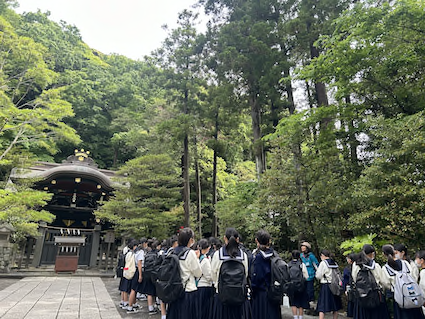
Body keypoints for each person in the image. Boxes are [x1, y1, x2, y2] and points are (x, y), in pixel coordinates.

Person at [211, 227, 250, 319]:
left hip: (221, 295)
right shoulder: (243, 255)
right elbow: (246, 274)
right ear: (237, 239)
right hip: (239, 296)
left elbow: (213, 274)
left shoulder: (218, 254)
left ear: (225, 238)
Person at [381, 244, 425, 319]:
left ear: (384, 254)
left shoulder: (385, 268)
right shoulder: (405, 263)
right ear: (395, 252)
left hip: (399, 298)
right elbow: (413, 277)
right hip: (412, 294)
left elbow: (386, 283)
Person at [167, 227, 202, 319]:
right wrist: (197, 258)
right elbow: (198, 273)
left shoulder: (172, 252)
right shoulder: (189, 253)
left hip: (174, 289)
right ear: (191, 240)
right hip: (187, 290)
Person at [351, 245, 389, 319]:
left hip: (361, 295)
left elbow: (354, 278)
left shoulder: (356, 265)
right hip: (375, 296)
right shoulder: (376, 266)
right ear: (372, 253)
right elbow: (382, 281)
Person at [250, 230, 281, 319]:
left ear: (257, 240)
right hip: (273, 292)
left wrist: (253, 289)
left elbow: (257, 276)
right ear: (269, 241)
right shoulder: (274, 254)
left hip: (261, 294)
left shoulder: (259, 256)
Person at [315, 249, 342, 319]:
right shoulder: (335, 263)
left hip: (326, 286)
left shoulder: (323, 263)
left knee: (322, 306)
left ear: (323, 256)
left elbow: (318, 275)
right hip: (335, 286)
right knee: (335, 306)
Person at [288, 250, 309, 319]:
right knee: (301, 303)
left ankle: (295, 317)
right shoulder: (301, 264)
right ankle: (300, 317)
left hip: (291, 285)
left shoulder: (288, 264)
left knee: (293, 303)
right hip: (300, 286)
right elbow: (306, 276)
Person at [196, 238, 214, 319]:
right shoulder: (205, 260)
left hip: (198, 286)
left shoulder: (197, 258)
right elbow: (209, 276)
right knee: (205, 311)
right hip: (205, 287)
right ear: (208, 248)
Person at [126, 239, 144, 314]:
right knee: (134, 290)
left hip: (131, 270)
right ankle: (130, 307)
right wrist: (140, 275)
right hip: (136, 270)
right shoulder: (140, 252)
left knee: (133, 289)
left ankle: (133, 304)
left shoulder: (131, 253)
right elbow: (139, 264)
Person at [300, 241, 319, 312]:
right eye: (302, 246)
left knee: (310, 291)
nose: (302, 248)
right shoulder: (301, 255)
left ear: (307, 248)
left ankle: (311, 306)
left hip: (310, 276)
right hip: (302, 277)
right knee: (303, 291)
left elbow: (316, 265)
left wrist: (318, 274)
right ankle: (305, 305)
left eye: (304, 246)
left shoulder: (311, 256)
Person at [118, 239, 136, 309]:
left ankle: (123, 301)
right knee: (125, 288)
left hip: (125, 269)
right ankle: (125, 302)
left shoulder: (126, 251)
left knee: (123, 286)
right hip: (128, 270)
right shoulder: (131, 253)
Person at [343, 253, 358, 318]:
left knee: (350, 301)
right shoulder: (359, 266)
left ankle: (350, 314)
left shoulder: (347, 268)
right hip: (358, 288)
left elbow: (345, 280)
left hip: (350, 287)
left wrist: (344, 289)